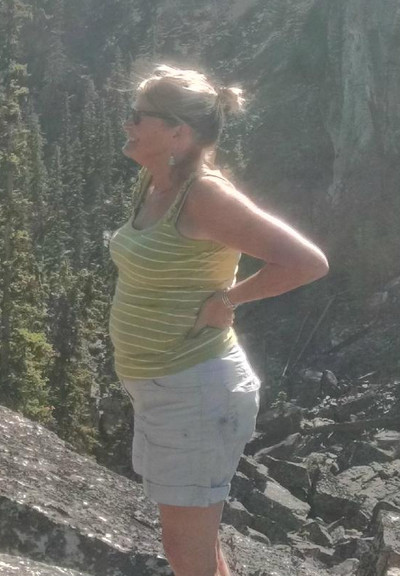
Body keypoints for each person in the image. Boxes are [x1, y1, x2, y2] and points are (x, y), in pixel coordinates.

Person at [108, 65, 328, 576]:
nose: (127, 125)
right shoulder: (156, 181)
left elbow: (306, 261)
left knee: (187, 552)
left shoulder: (205, 196)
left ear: (177, 132)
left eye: (137, 116)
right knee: (194, 548)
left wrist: (231, 298)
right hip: (166, 388)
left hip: (195, 392)